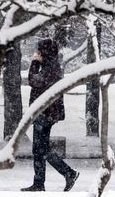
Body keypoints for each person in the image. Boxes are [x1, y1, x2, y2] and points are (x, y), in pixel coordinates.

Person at [21, 39, 79, 192]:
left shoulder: (51, 67)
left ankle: (68, 173)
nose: (37, 53)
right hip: (46, 112)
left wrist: (34, 63)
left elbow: (34, 81)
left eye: (39, 50)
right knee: (40, 148)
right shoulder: (51, 65)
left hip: (46, 113)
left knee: (41, 148)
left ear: (45, 52)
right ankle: (40, 182)